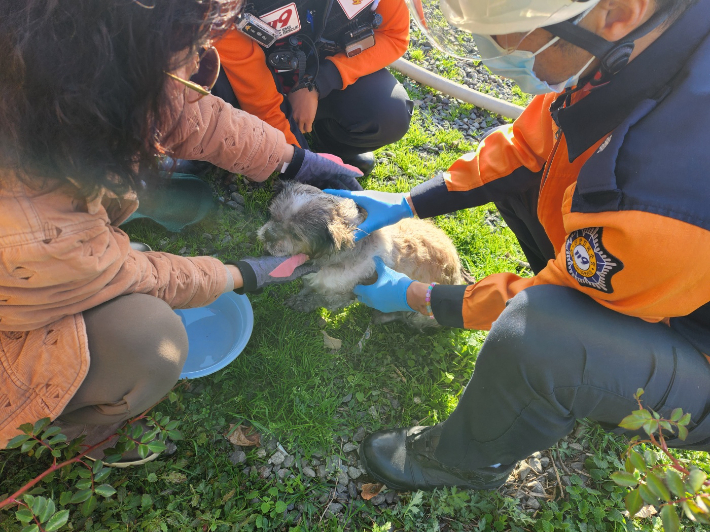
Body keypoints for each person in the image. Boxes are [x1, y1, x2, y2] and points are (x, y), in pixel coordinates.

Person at [327, 0, 710, 491]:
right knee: (526, 182)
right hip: (654, 274)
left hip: (697, 341)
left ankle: (468, 461)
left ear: (617, 13)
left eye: (506, 36)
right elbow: (527, 147)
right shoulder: (630, 50)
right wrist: (408, 202)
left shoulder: (668, 197)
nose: (494, 53)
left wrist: (419, 297)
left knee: (540, 335)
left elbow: (544, 303)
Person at [0, 0, 330, 462]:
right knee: (155, 342)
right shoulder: (30, 223)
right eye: (192, 47)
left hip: (41, 256)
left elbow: (177, 109)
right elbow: (129, 274)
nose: (199, 60)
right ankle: (71, 425)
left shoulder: (55, 70)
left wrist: (291, 158)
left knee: (169, 204)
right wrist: (242, 274)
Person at [211, 0, 413, 175]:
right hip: (246, 84)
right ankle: (207, 146)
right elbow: (254, 87)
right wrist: (298, 160)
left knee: (390, 113)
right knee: (205, 85)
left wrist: (319, 83)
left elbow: (393, 35)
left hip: (317, 78)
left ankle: (325, 139)